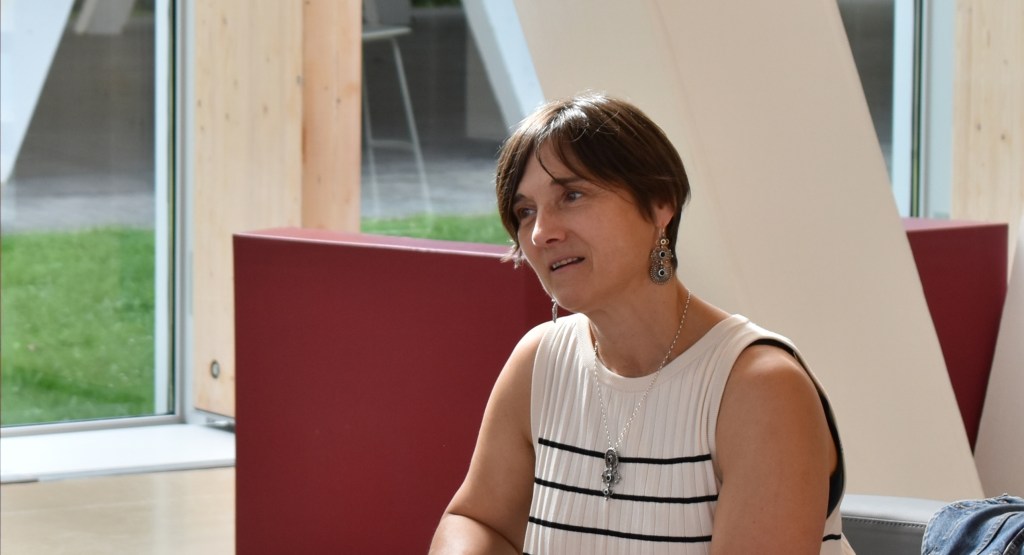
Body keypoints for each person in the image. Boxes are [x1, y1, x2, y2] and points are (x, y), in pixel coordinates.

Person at [429, 92, 852, 554]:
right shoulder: (539, 362)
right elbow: (478, 520)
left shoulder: (759, 389)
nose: (541, 232)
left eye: (572, 195)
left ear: (660, 203)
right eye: (525, 210)